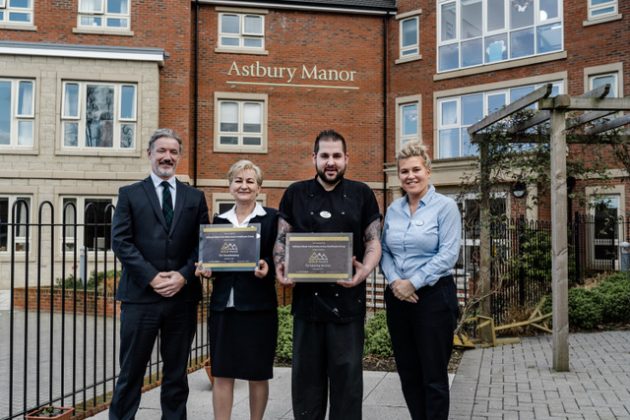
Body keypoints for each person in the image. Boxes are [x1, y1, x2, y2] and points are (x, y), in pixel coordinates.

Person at [273, 129, 382, 420]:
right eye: (324, 156)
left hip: (348, 305)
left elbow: (373, 241)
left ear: (346, 158)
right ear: (314, 158)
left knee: (348, 387)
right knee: (306, 386)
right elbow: (282, 238)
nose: (330, 162)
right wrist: (280, 265)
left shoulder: (362, 193)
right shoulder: (295, 193)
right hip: (306, 307)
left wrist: (365, 270)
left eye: (336, 156)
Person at [109, 128, 209, 420]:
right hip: (140, 298)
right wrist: (152, 277)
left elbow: (203, 243)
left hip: (182, 299)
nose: (167, 157)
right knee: (131, 372)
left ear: (179, 156)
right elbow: (121, 242)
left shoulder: (194, 197)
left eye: (173, 152)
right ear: (149, 154)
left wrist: (183, 275)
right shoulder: (129, 194)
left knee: (177, 373)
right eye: (162, 151)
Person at [380, 142, 461, 420]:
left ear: (428, 171)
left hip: (433, 297)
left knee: (433, 376)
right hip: (398, 298)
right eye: (404, 171)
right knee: (408, 372)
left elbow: (448, 254)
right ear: (398, 176)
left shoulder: (445, 207)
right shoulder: (394, 209)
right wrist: (395, 282)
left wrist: (412, 283)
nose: (410, 176)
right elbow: (384, 251)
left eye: (416, 169)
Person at [195, 160, 278, 420]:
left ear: (259, 188)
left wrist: (268, 267)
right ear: (230, 186)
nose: (244, 186)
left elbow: (280, 256)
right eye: (238, 181)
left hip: (259, 307)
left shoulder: (272, 218)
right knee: (222, 372)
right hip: (224, 307)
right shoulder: (219, 221)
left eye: (250, 181)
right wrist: (206, 269)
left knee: (258, 373)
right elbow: (215, 261)